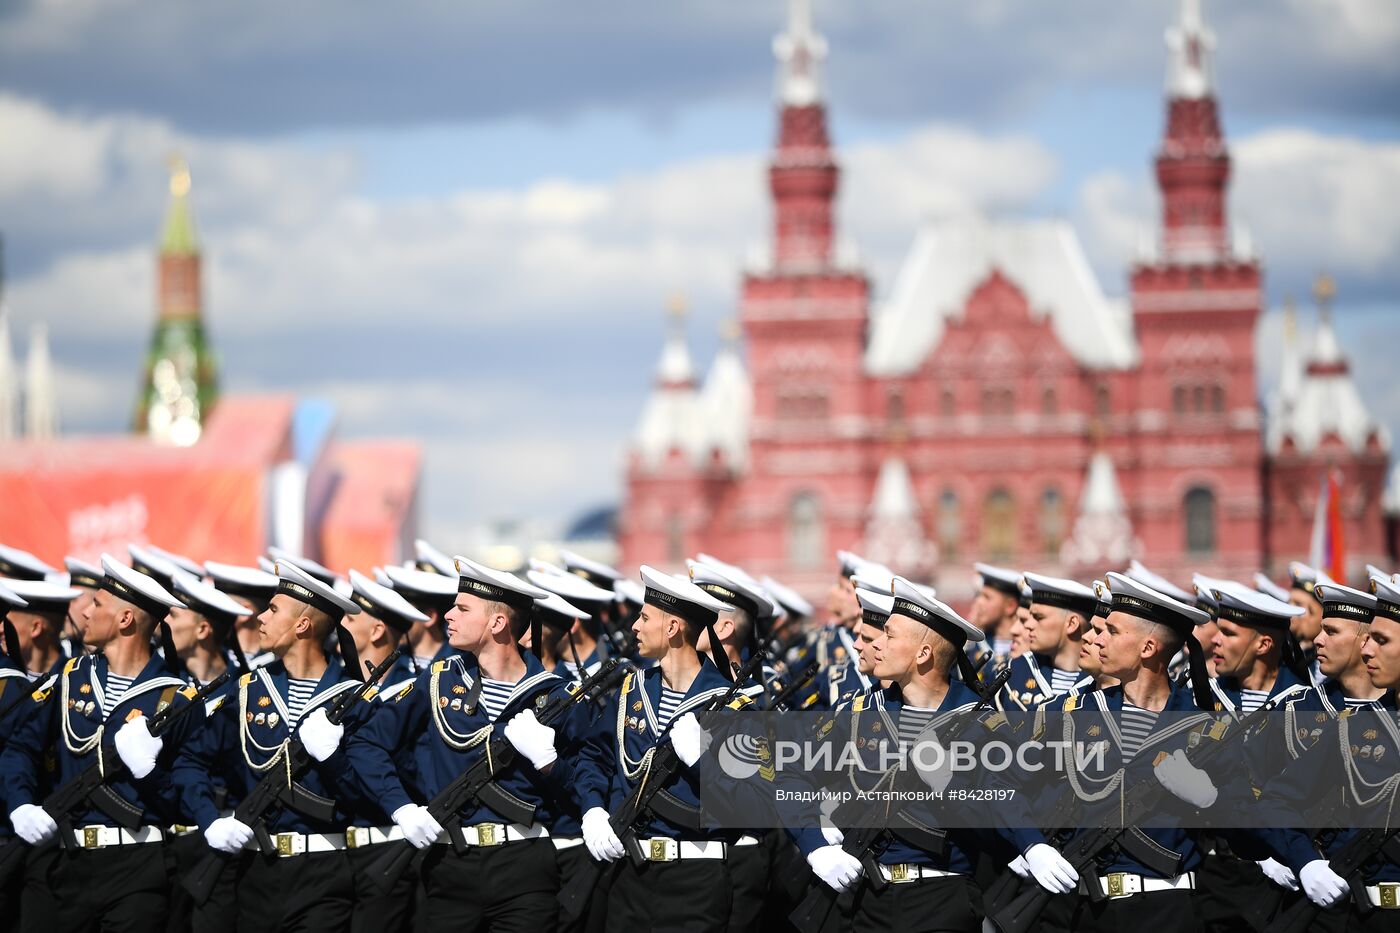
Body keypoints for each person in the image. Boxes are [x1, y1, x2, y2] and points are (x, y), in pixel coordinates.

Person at [343, 556, 595, 932]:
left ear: (497, 622)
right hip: (450, 863)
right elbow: (367, 742)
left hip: (525, 866)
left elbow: (591, 786)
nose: (448, 615)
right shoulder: (439, 680)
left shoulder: (555, 697)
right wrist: (400, 808)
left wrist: (549, 764)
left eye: (462, 608)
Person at [1005, 571, 1218, 933]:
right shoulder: (1069, 714)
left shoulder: (1205, 728)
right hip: (1090, 910)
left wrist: (1212, 798)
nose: (1096, 638)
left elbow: (1254, 815)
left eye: (1112, 632)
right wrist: (1031, 845)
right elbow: (1000, 781)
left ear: (1148, 649)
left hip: (1169, 912)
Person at [2, 554, 196, 932]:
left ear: (125, 620)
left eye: (97, 604)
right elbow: (20, 749)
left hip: (137, 865)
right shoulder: (68, 679)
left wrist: (150, 773)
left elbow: (189, 797)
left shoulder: (175, 700)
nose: (85, 612)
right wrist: (21, 803)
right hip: (64, 860)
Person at [172, 558, 368, 933]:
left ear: (302, 624)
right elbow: (191, 759)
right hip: (256, 873)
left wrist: (333, 760)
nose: (259, 617)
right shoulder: (247, 691)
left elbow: (367, 796)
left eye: (273, 609)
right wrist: (209, 820)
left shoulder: (353, 700)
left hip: (324, 872)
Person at [788, 575, 991, 933]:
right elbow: (791, 775)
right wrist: (815, 842)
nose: (874, 644)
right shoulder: (857, 713)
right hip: (867, 897)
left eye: (887, 635)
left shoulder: (979, 721)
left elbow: (1003, 810)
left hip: (943, 897)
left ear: (923, 653)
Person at [573, 565, 757, 932]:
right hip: (630, 873)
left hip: (697, 878)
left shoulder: (733, 706)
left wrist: (706, 763)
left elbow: (754, 801)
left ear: (673, 628)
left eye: (644, 617)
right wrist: (592, 809)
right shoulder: (628, 692)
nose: (634, 627)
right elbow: (593, 758)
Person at [995, 573, 1095, 712]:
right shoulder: (1015, 671)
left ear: (1072, 624)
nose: (1028, 625)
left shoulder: (1100, 683)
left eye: (1038, 617)